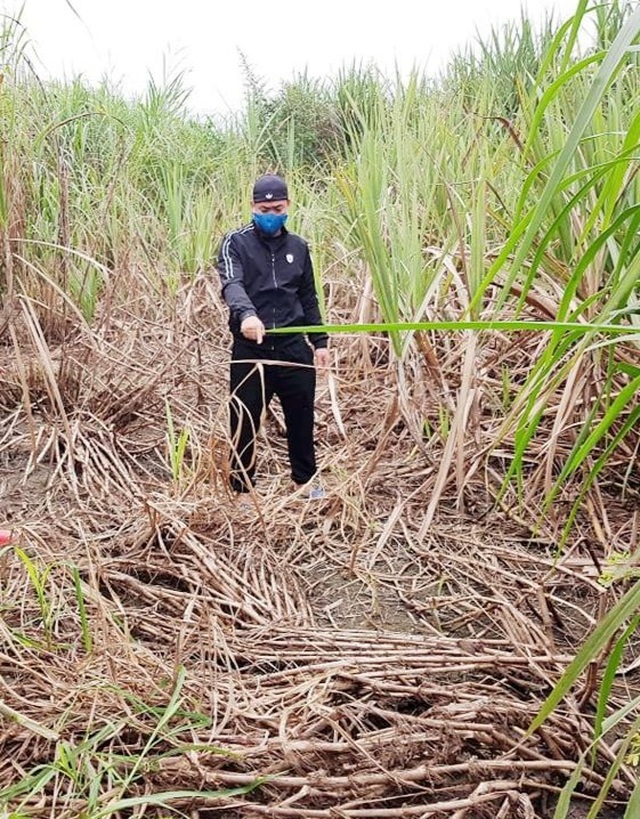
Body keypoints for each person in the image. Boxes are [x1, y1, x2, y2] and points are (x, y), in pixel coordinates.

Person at [217, 173, 330, 497]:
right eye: (263, 209)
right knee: (244, 418)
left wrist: (319, 342)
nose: (270, 215)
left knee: (301, 417)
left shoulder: (298, 247)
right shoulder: (234, 243)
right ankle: (241, 488)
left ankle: (305, 481)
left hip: (294, 348)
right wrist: (247, 315)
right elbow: (232, 285)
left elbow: (308, 297)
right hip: (252, 348)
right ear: (253, 207)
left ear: (288, 207)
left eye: (276, 208)